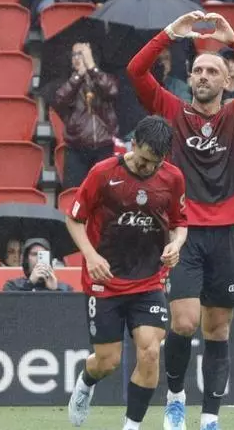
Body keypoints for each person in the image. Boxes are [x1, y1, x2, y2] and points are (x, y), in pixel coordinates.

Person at [127, 11, 234, 430]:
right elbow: (136, 71)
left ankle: (210, 416)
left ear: (227, 80)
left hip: (225, 234)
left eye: (214, 70)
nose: (205, 76)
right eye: (198, 71)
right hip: (184, 233)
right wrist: (170, 33)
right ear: (190, 79)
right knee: (184, 322)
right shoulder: (172, 111)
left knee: (217, 329)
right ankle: (176, 398)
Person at [65, 116, 188, 430]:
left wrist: (176, 245)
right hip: (104, 278)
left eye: (156, 163)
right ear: (134, 145)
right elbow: (74, 219)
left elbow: (180, 223)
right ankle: (85, 382)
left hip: (148, 280)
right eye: (145, 160)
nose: (149, 167)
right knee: (108, 362)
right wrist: (90, 256)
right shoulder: (103, 173)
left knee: (149, 352)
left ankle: (131, 426)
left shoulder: (172, 178)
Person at [48, 42, 120, 188]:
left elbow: (112, 91)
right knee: (74, 193)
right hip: (76, 148)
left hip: (103, 146)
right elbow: (60, 100)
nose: (77, 58)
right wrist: (78, 76)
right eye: (74, 54)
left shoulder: (103, 77)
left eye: (81, 54)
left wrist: (92, 68)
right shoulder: (66, 80)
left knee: (103, 194)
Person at [3, 238, 73, 291]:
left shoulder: (65, 289)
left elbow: (67, 309)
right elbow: (13, 307)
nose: (38, 259)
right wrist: (29, 284)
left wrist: (55, 291)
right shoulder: (13, 286)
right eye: (34, 254)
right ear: (26, 259)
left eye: (43, 254)